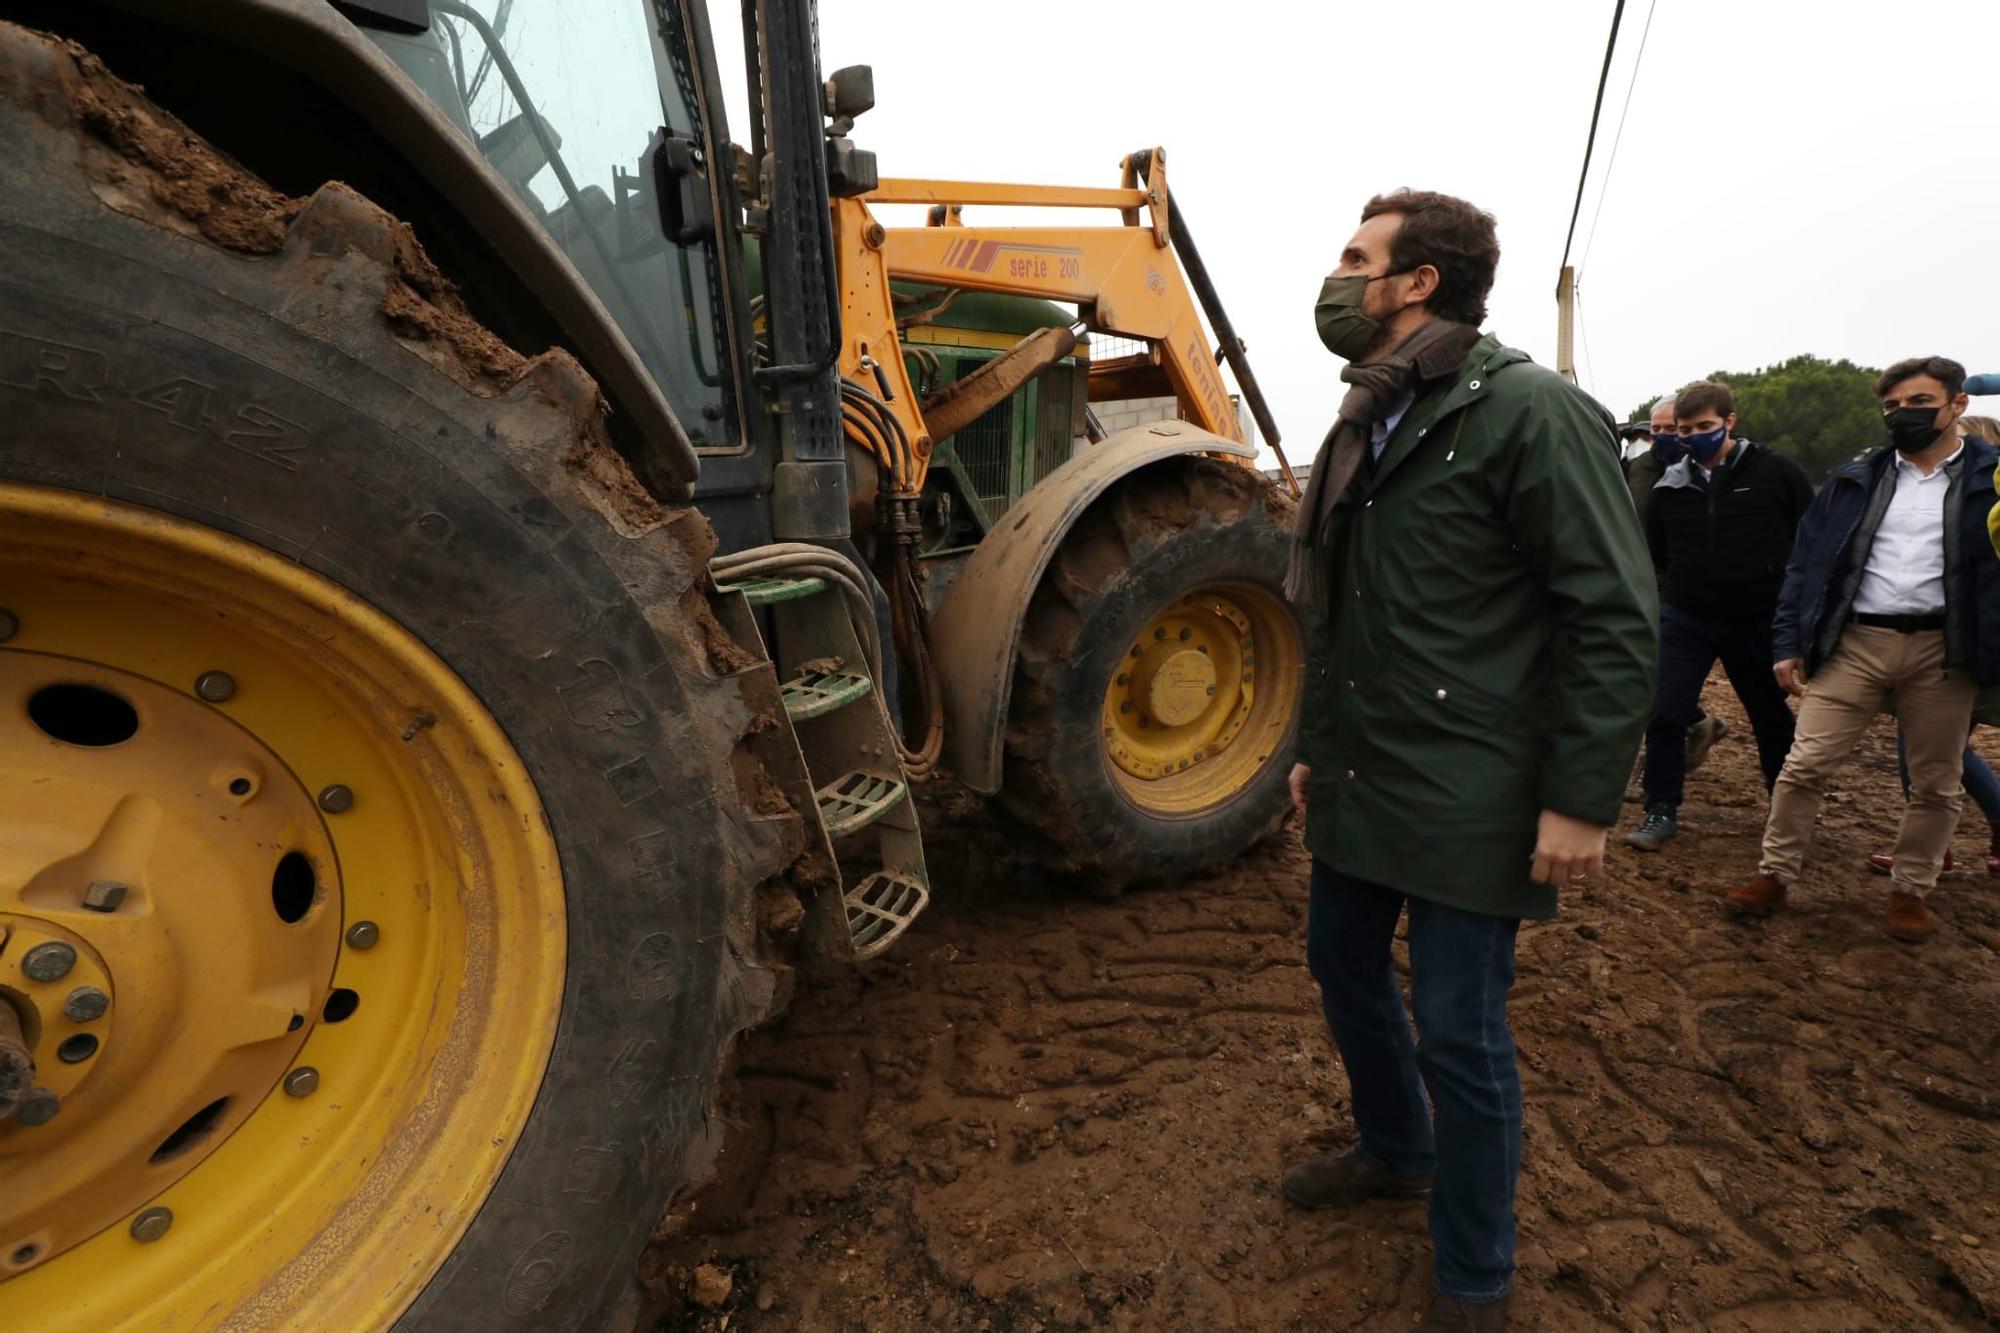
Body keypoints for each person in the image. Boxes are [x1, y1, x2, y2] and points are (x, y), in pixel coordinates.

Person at [1285, 188, 1656, 1332]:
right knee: (1340, 966)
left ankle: (1474, 1278)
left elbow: (1613, 611)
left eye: (1356, 258)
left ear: (1415, 284)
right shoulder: (1366, 412)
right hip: (1363, 763)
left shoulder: (1529, 410)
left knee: (1459, 1028)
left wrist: (1579, 799)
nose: (1336, 276)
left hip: (1473, 781)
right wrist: (1312, 746)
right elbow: (1338, 604)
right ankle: (1395, 1150)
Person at [1729, 356, 2000, 942]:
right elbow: (1804, 567)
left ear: (1958, 405)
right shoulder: (1855, 480)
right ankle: (1775, 873)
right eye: (1893, 407)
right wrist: (1788, 643)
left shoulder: (1992, 478)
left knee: (1936, 781)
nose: (1903, 415)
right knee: (1804, 765)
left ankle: (1910, 890)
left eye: (1919, 403)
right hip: (1855, 643)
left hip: (1943, 650)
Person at [1626, 382, 1815, 850]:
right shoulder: (1671, 484)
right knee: (1666, 713)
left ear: (1729, 421)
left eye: (1704, 427)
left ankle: (1785, 813)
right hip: (1688, 616)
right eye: (1685, 430)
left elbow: (1809, 536)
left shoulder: (1776, 472)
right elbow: (1661, 548)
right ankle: (1660, 809)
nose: (1692, 437)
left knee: (1770, 716)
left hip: (1756, 617)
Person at [1622, 394, 1729, 782]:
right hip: (1636, 583)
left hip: (1677, 593)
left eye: (1673, 429)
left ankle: (1662, 754)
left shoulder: (1700, 474)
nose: (1665, 435)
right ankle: (1696, 723)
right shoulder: (1636, 469)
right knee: (1638, 673)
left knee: (1651, 675)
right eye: (1658, 429)